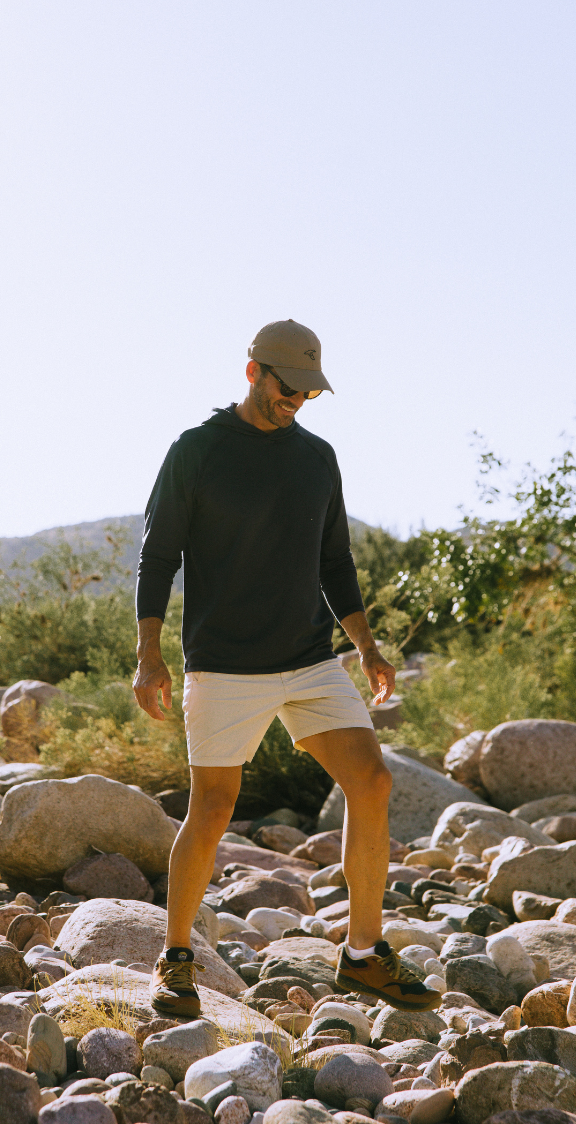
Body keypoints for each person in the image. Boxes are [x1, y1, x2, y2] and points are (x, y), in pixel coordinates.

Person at [132, 321, 439, 1020]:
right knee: (210, 811)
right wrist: (149, 653)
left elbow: (335, 562)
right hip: (224, 665)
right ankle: (175, 957)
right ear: (253, 373)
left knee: (374, 778)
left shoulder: (317, 458)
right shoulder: (197, 451)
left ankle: (363, 955)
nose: (295, 400)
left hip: (308, 659)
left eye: (307, 391)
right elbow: (158, 557)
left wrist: (365, 646)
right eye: (286, 387)